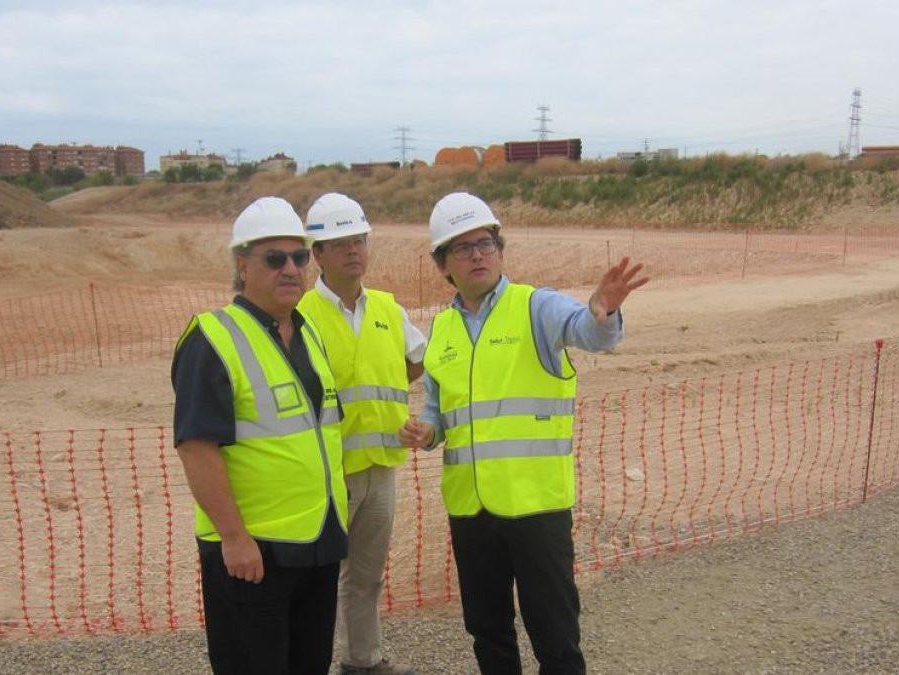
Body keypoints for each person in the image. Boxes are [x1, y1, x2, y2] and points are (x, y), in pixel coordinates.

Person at [398, 192, 648, 675]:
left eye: (486, 242)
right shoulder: (442, 330)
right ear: (442, 264)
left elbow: (590, 332)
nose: (477, 254)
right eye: (462, 247)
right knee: (488, 632)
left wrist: (603, 310)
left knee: (554, 634)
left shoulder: (535, 307)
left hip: (536, 506)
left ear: (500, 249)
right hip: (470, 508)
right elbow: (438, 413)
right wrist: (425, 431)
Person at [172, 196, 348, 675]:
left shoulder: (308, 335)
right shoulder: (213, 338)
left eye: (299, 256)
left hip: (317, 543)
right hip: (253, 553)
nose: (290, 268)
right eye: (275, 258)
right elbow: (196, 446)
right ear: (242, 265)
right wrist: (234, 538)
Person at [296, 193, 424, 675]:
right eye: (339, 242)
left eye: (359, 240)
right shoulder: (302, 315)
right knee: (318, 576)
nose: (353, 250)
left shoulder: (389, 310)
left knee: (366, 575)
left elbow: (419, 360)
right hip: (327, 472)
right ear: (318, 255)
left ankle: (363, 661)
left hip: (382, 467)